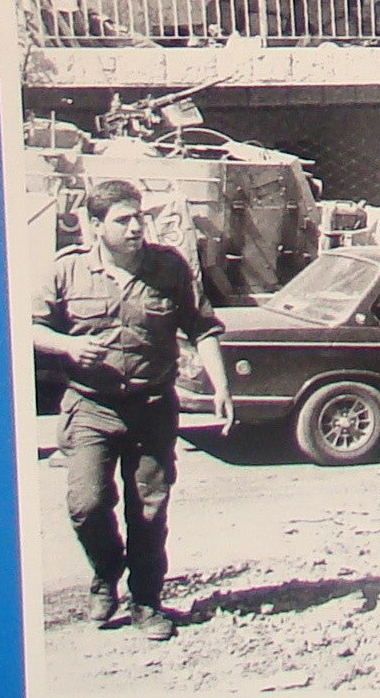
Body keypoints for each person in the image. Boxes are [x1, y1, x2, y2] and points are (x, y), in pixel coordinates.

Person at [32, 180, 233, 641]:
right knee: (86, 504)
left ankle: (146, 601)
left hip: (152, 407)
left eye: (138, 217)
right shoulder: (68, 271)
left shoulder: (168, 267)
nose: (135, 227)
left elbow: (202, 328)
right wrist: (67, 346)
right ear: (96, 225)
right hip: (90, 407)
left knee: (148, 510)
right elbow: (30, 327)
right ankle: (106, 574)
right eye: (122, 220)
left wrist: (220, 386)